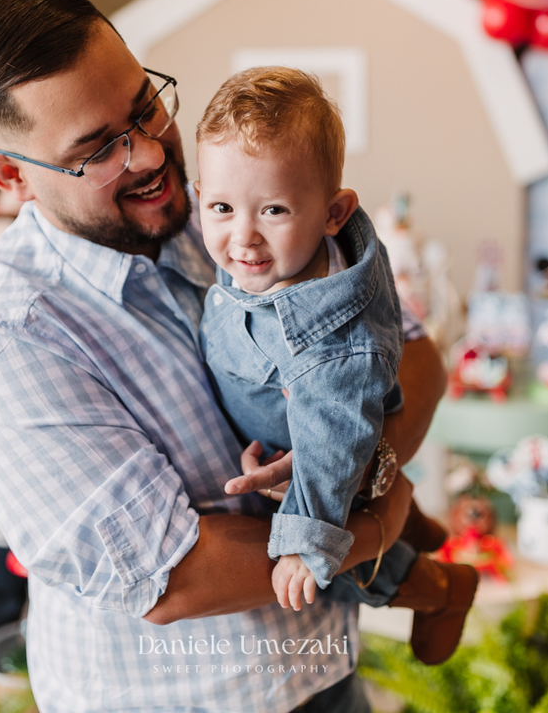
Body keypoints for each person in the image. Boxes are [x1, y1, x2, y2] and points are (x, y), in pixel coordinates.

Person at [0, 0, 446, 713]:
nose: (151, 153)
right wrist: (372, 523)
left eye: (145, 106)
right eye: (99, 149)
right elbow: (175, 576)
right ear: (13, 176)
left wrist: (371, 463)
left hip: (323, 673)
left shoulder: (226, 204)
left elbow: (414, 354)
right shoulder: (13, 340)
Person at [195, 67, 476, 664]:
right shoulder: (276, 256)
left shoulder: (333, 349)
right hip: (292, 422)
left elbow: (329, 448)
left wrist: (306, 541)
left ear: (334, 212)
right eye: (220, 207)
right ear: (202, 195)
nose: (243, 238)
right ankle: (413, 519)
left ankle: (440, 591)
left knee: (329, 561)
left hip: (319, 453)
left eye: (273, 210)